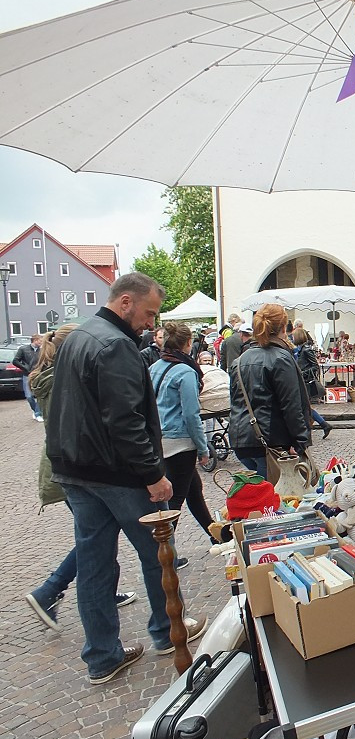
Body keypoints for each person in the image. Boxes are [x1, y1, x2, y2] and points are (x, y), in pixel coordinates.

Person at [47, 272, 207, 684]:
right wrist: (153, 474)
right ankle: (167, 630)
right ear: (125, 303)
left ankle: (102, 655)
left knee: (94, 562)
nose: (151, 324)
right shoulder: (114, 344)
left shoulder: (79, 336)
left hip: (76, 470)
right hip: (115, 471)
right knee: (159, 551)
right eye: (149, 313)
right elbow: (125, 420)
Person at [25, 325, 137, 632]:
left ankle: (101, 596)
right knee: (95, 539)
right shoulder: (63, 382)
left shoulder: (47, 380)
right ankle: (50, 589)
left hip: (64, 465)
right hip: (78, 466)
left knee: (97, 537)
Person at [150, 322, 215, 550]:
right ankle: (163, 553)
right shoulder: (186, 372)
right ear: (188, 344)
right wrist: (203, 448)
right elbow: (191, 414)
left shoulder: (156, 366)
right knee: (176, 498)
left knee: (194, 491)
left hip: (161, 438)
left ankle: (216, 534)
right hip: (179, 442)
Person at [229, 303, 312, 479]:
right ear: (284, 327)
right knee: (277, 499)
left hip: (241, 439)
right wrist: (301, 442)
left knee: (261, 494)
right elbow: (291, 405)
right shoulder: (281, 358)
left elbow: (236, 401)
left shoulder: (240, 360)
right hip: (269, 440)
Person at [292, 328, 332, 439]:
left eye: (294, 336)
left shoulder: (306, 350)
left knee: (304, 407)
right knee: (305, 407)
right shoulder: (300, 350)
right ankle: (324, 425)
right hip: (303, 382)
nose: (293, 338)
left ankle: (321, 425)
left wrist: (302, 373)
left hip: (306, 383)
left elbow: (315, 366)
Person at [14, 333, 42, 420]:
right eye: (40, 341)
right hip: (27, 375)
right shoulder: (23, 349)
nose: (41, 343)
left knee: (40, 395)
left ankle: (38, 414)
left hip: (38, 375)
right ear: (35, 340)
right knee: (29, 396)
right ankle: (35, 411)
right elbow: (15, 360)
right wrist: (25, 368)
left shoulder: (41, 350)